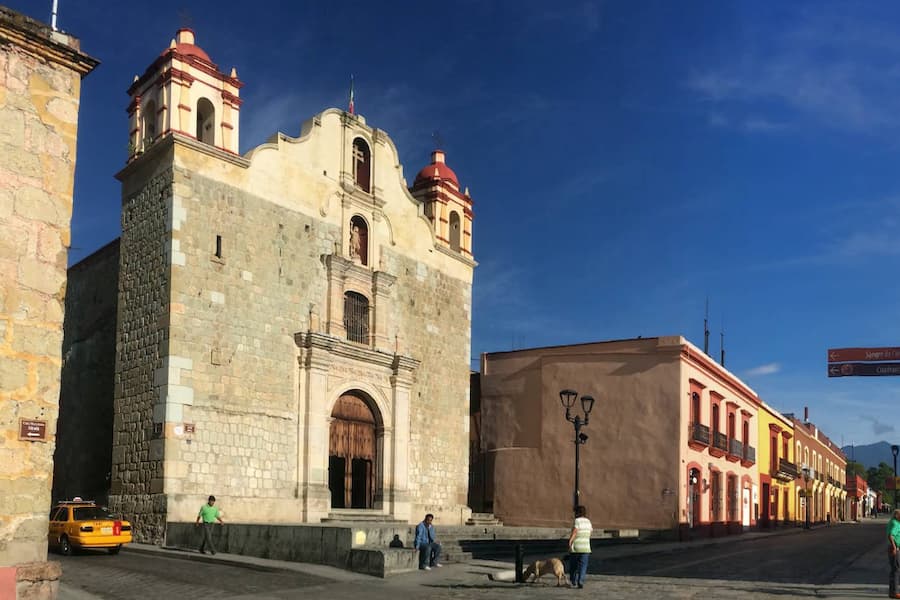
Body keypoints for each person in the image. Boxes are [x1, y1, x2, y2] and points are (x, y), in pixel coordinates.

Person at [567, 505, 592, 589]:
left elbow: (575, 532)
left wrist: (570, 541)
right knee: (583, 566)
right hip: (586, 547)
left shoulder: (577, 521)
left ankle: (573, 581)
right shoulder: (588, 521)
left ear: (577, 513)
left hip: (576, 547)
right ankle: (580, 581)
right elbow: (590, 533)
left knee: (573, 565)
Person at [889, 509, 900, 598]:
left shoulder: (891, 522)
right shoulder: (896, 524)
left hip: (892, 547)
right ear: (897, 515)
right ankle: (895, 592)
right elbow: (891, 535)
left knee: (893, 570)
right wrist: (894, 547)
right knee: (896, 570)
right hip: (895, 548)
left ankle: (892, 592)